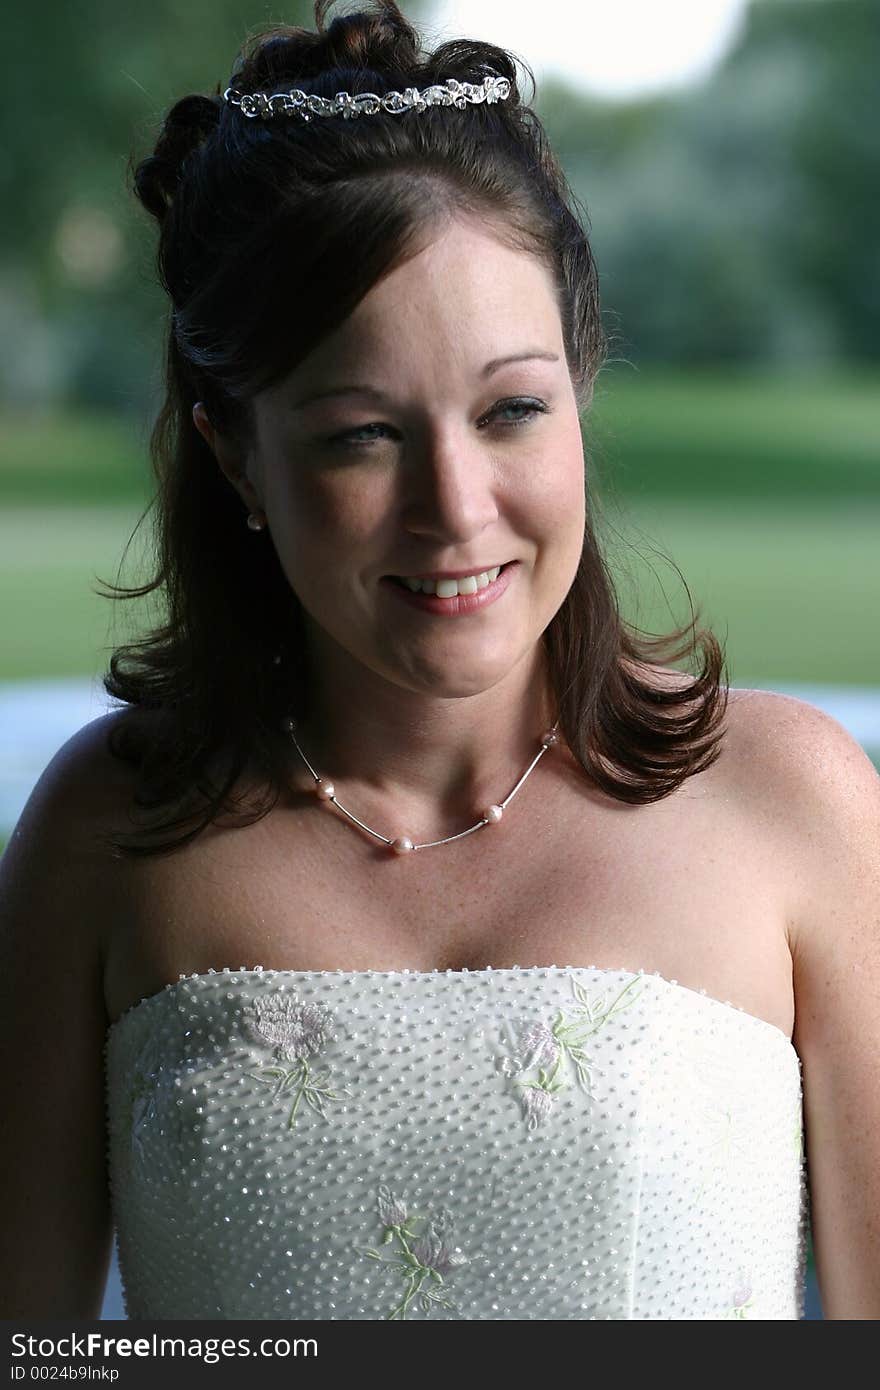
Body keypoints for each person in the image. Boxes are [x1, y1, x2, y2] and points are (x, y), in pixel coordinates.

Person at [1, 0, 878, 1324]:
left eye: (511, 409)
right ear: (236, 453)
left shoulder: (793, 803)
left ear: (580, 388)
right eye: (362, 435)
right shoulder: (104, 831)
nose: (456, 507)